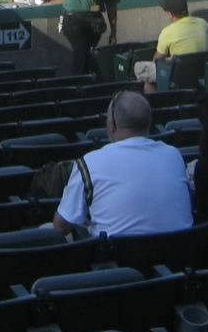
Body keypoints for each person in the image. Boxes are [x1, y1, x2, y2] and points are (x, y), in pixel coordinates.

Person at [53, 91, 193, 238]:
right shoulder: (174, 155)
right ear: (148, 123)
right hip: (178, 256)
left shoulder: (88, 163)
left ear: (112, 124)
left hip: (114, 259)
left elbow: (60, 227)